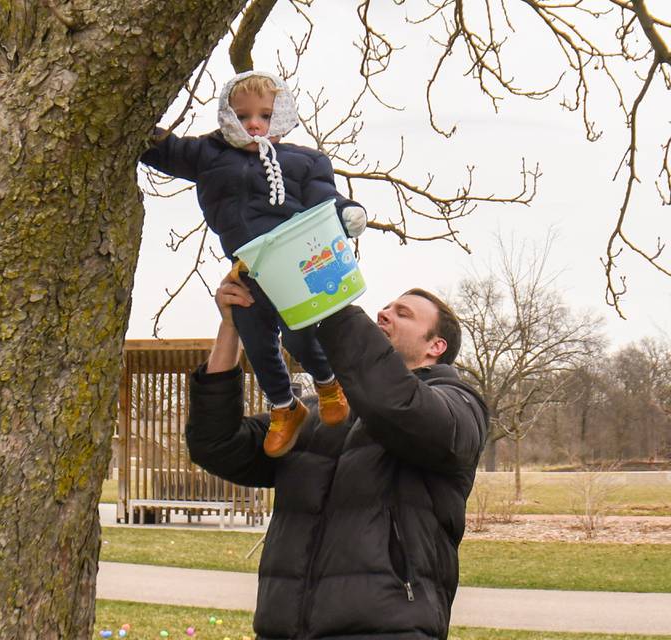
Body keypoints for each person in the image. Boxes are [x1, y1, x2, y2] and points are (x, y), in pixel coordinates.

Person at [185, 274, 489, 640]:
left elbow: (397, 406)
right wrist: (233, 327)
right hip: (284, 629)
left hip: (387, 631)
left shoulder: (459, 406)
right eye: (386, 307)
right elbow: (216, 444)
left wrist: (329, 302)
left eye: (403, 314)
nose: (384, 313)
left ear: (435, 346)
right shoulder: (317, 415)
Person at [141, 70, 368, 458]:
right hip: (247, 266)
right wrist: (136, 124)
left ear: (280, 115)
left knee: (298, 332)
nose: (254, 125)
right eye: (243, 117)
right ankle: (284, 407)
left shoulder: (305, 161)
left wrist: (347, 212)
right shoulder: (209, 154)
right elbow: (167, 149)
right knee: (254, 335)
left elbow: (323, 198)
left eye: (264, 115)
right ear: (229, 118)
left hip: (294, 263)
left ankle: (327, 383)